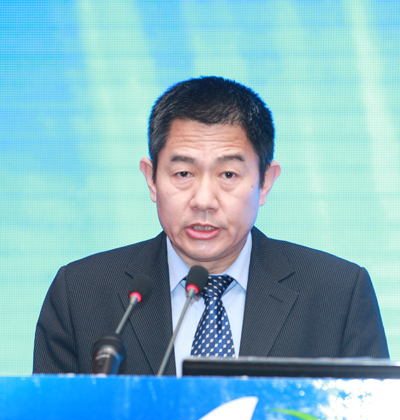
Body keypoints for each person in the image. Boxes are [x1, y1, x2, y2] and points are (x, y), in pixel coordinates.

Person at [33, 76, 389, 375]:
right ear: (151, 179)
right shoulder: (80, 294)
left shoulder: (338, 293)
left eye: (228, 174)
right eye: (183, 173)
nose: (203, 200)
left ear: (265, 182)